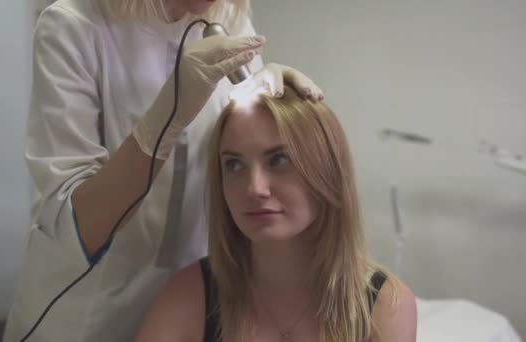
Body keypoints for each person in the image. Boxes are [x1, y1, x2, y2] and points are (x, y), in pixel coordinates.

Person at [2, 0, 324, 341]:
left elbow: (239, 157)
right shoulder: (74, 26)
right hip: (87, 314)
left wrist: (272, 104)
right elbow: (77, 224)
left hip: (192, 304)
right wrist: (167, 114)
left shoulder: (230, 19)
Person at [134, 84, 417, 342]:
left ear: (328, 172)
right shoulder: (192, 295)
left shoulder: (384, 306)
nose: (254, 188)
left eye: (279, 160)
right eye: (233, 165)